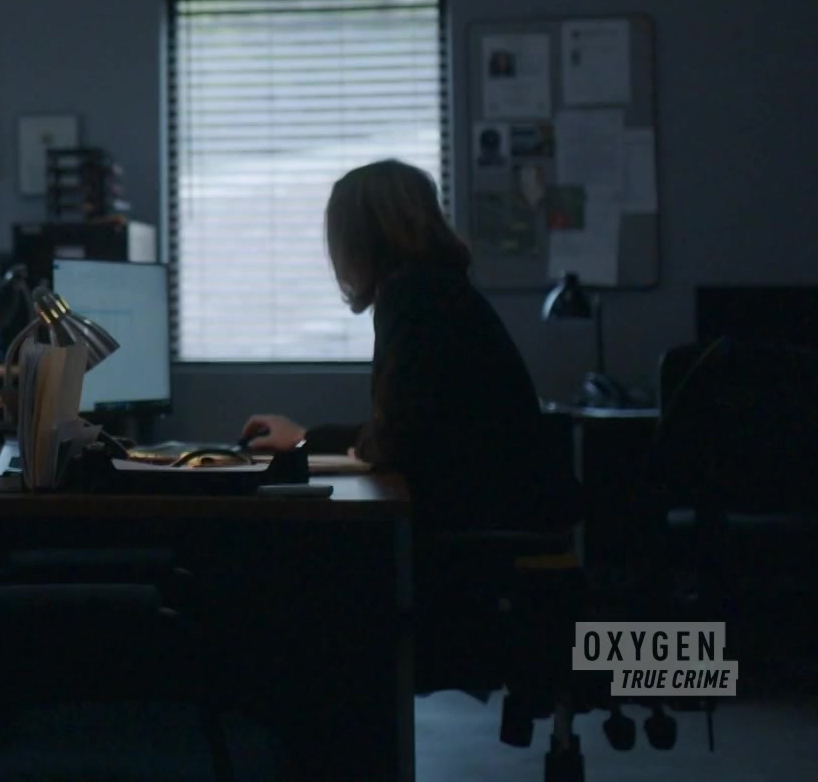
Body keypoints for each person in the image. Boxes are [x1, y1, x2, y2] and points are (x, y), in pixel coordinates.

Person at [240, 159, 577, 532]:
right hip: (500, 503)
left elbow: (397, 441)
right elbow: (402, 425)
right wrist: (307, 437)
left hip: (480, 516)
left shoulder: (413, 295)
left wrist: (312, 439)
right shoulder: (437, 289)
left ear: (358, 240)